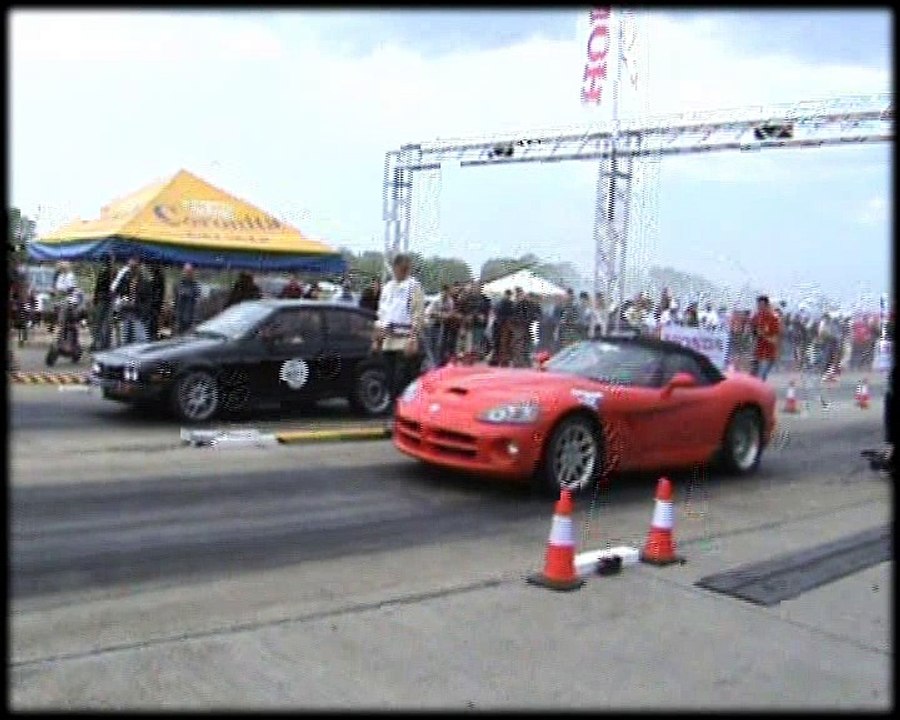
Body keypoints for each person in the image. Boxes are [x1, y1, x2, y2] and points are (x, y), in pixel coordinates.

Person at [373, 254, 425, 410]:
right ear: (395, 268)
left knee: (403, 379)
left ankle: (406, 410)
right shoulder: (388, 288)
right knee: (389, 379)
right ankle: (394, 411)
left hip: (405, 340)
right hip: (388, 340)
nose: (404, 272)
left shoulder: (414, 287)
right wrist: (377, 339)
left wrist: (413, 338)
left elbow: (418, 314)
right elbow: (382, 313)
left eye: (407, 269)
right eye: (402, 268)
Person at [114, 257, 152, 345]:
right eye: (130, 266)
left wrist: (143, 309)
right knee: (127, 337)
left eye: (134, 266)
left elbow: (147, 298)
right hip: (126, 311)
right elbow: (118, 291)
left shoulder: (145, 280)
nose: (131, 268)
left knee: (141, 338)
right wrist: (124, 300)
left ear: (139, 266)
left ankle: (141, 352)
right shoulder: (125, 278)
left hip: (138, 312)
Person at [750, 295, 781, 381]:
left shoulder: (773, 319)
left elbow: (774, 340)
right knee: (752, 378)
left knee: (761, 378)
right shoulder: (755, 317)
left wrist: (762, 335)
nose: (760, 307)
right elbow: (753, 334)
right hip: (757, 353)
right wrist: (754, 332)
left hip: (768, 354)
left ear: (767, 305)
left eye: (762, 305)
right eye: (758, 305)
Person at [89, 255, 114, 351]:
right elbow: (98, 286)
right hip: (103, 298)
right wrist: (95, 298)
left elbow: (100, 286)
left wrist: (96, 298)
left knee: (103, 323)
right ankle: (98, 343)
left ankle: (102, 344)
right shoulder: (105, 270)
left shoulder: (112, 271)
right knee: (99, 322)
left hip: (106, 299)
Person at [173, 263, 201, 335]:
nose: (187, 273)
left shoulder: (196, 286)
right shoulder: (179, 284)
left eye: (189, 272)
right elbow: (176, 301)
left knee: (187, 337)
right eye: (186, 271)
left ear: (193, 273)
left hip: (190, 319)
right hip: (179, 318)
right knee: (177, 337)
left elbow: (197, 304)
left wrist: (195, 321)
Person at [147, 262, 166, 341]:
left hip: (154, 306)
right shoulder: (155, 278)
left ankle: (153, 338)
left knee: (152, 325)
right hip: (154, 306)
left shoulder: (158, 278)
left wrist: (154, 302)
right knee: (152, 325)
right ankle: (153, 337)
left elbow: (159, 294)